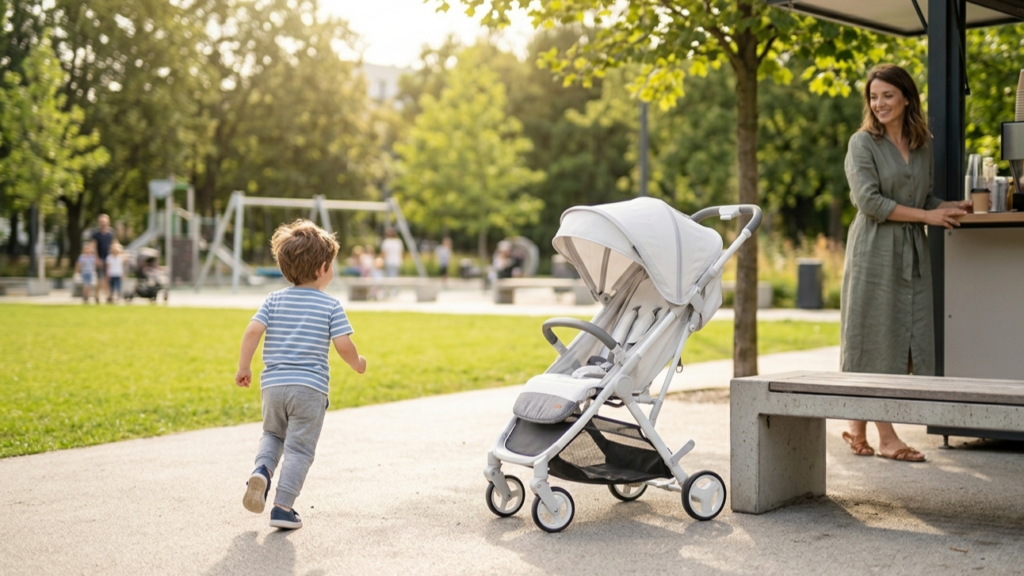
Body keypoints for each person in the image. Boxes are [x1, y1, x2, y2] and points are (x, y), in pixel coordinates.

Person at [841, 64, 971, 463]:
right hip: (874, 249)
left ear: (907, 99)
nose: (879, 104)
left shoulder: (921, 144)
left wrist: (950, 206)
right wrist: (928, 216)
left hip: (911, 251)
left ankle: (855, 426)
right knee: (876, 337)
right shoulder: (862, 143)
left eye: (888, 96)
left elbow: (922, 199)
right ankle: (887, 437)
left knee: (901, 335)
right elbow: (870, 202)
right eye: (873, 97)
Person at [235, 219, 367, 530]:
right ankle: (282, 507)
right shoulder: (330, 305)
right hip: (309, 389)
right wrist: (357, 363)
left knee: (272, 435)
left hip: (273, 386)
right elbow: (343, 345)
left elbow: (252, 331)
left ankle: (262, 471)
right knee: (299, 449)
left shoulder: (273, 300)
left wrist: (244, 367)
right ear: (323, 268)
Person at [91, 214, 116, 303]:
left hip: (108, 259)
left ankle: (107, 296)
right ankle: (96, 296)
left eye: (105, 222)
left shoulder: (110, 233)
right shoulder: (96, 234)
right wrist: (96, 258)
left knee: (107, 278)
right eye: (102, 222)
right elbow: (93, 247)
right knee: (99, 278)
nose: (103, 224)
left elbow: (114, 244)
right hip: (99, 259)